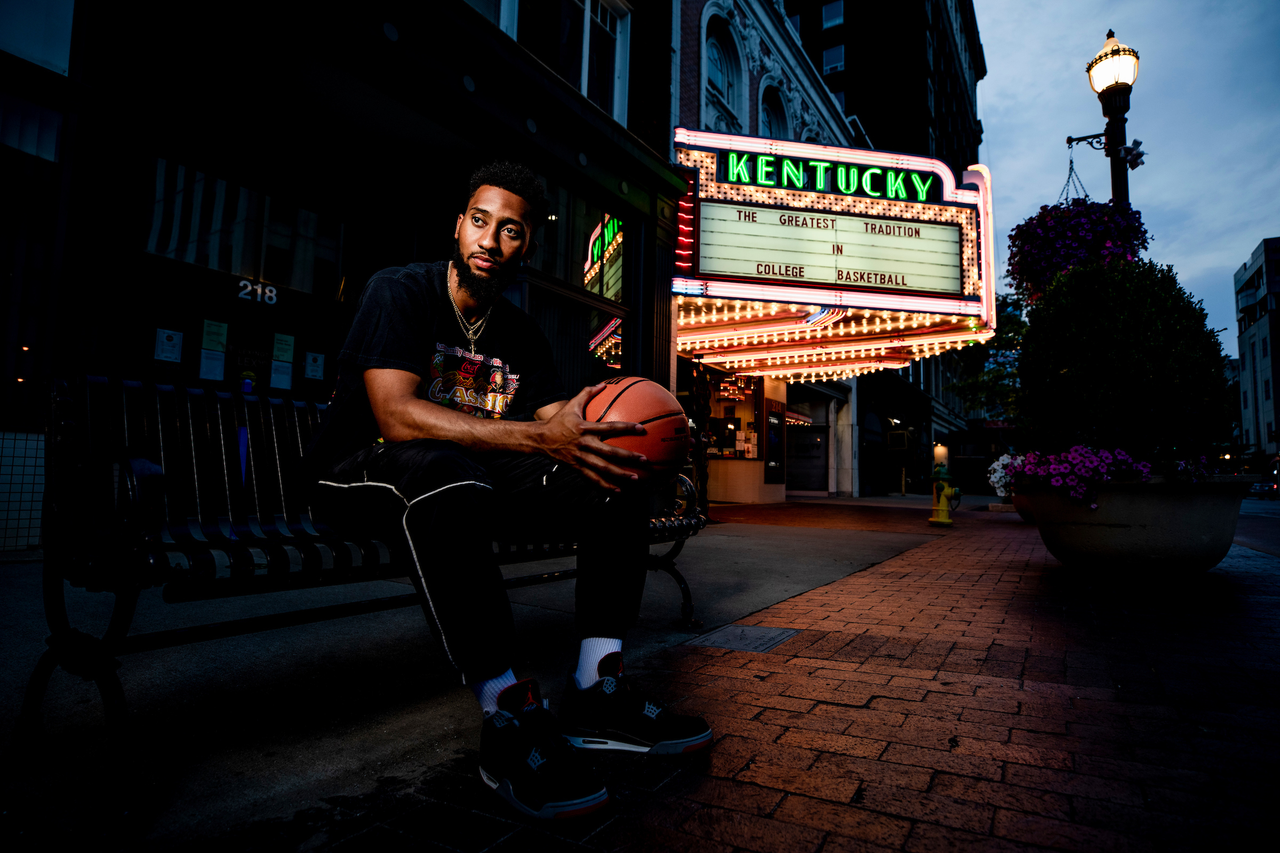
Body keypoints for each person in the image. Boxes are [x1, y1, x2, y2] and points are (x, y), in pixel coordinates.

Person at [305, 161, 711, 819]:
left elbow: (551, 418)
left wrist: (608, 427)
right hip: (355, 472)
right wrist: (532, 437)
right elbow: (396, 416)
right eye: (480, 221)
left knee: (612, 467)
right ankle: (508, 716)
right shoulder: (400, 291)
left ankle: (596, 687)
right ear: (458, 225)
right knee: (440, 466)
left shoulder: (518, 332)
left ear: (528, 245)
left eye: (511, 230)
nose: (490, 241)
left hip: (462, 482)